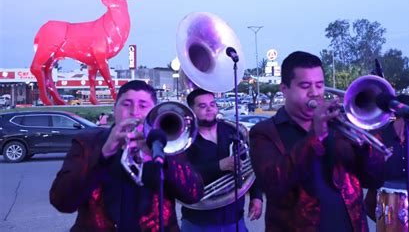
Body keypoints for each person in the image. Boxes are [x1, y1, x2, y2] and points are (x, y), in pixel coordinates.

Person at [249, 51, 384, 232]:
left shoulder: (341, 127)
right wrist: (316, 136)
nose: (314, 93)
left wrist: (367, 141)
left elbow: (373, 179)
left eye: (319, 85)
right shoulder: (264, 132)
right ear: (284, 89)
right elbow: (273, 184)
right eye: (305, 86)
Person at [50, 80, 203, 231]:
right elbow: (62, 201)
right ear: (114, 108)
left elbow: (193, 195)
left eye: (143, 105)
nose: (134, 111)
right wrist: (104, 153)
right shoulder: (86, 142)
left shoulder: (165, 144)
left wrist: (161, 158)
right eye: (126, 104)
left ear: (153, 112)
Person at [181, 88, 263, 232]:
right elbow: (181, 176)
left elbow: (251, 164)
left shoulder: (233, 131)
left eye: (212, 104)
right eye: (202, 106)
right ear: (191, 110)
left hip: (235, 219)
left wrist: (256, 197)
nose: (209, 109)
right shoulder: (182, 140)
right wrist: (219, 166)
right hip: (197, 222)